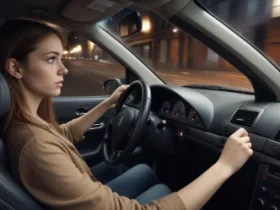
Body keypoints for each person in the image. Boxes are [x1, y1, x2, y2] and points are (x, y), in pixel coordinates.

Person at [0, 19, 253, 210]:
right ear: (15, 68)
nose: (63, 69)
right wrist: (224, 166)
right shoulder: (34, 146)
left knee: (144, 171)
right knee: (163, 188)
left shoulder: (29, 125)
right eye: (51, 59)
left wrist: (107, 104)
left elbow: (63, 134)